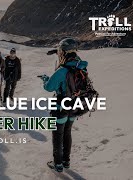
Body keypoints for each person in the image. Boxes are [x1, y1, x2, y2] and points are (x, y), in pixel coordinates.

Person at [43, 38, 88, 172]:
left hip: (60, 108)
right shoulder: (81, 66)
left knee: (58, 135)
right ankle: (66, 161)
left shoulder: (62, 70)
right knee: (67, 133)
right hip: (75, 107)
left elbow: (49, 87)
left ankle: (57, 164)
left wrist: (45, 79)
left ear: (64, 52)